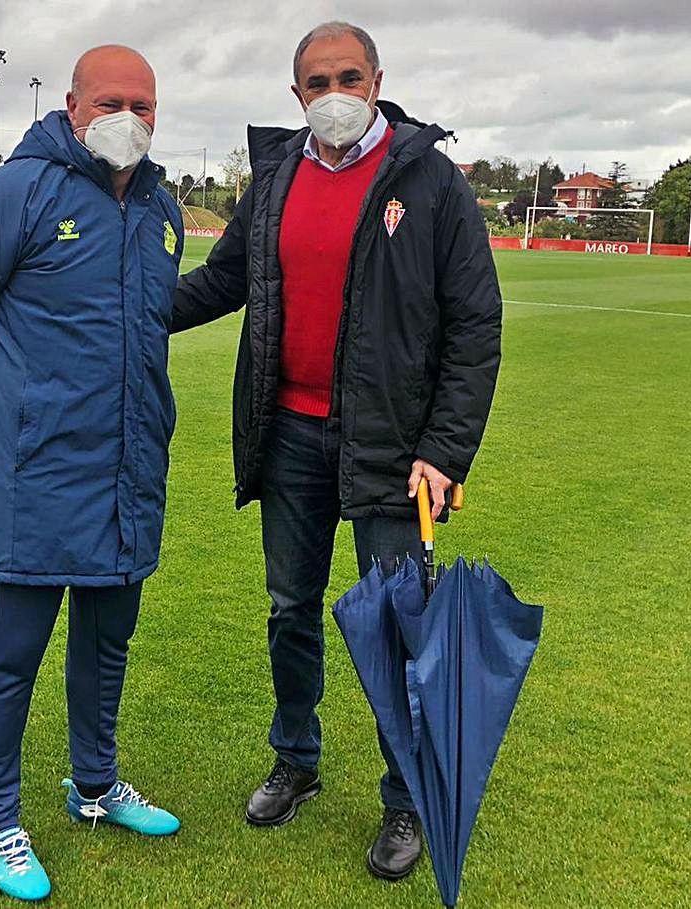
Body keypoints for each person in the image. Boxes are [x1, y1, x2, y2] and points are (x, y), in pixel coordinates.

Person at [172, 21, 502, 883]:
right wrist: (130, 309)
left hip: (395, 452)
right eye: (316, 82)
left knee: (400, 628)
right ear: (296, 96)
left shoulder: (429, 182)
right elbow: (224, 280)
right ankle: (297, 756)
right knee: (290, 607)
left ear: (378, 78)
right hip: (287, 434)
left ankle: (406, 795)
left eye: (347, 76)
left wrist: (447, 449)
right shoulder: (276, 174)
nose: (333, 95)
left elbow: (474, 326)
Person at [0, 45, 184, 902]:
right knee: (9, 662)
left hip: (127, 476)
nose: (128, 118)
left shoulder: (163, 209)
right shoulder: (13, 193)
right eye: (112, 101)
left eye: (143, 104)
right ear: (72, 106)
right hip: (33, 477)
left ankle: (95, 787)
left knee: (107, 648)